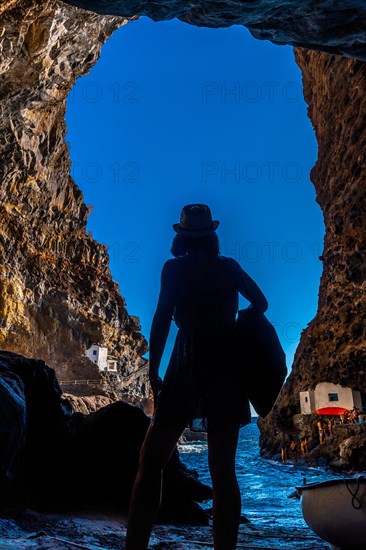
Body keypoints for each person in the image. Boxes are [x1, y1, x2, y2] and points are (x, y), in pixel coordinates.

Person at [125, 204, 268, 550]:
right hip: (226, 367)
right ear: (212, 236)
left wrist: (153, 368)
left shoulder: (175, 269)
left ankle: (135, 547)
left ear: (182, 236)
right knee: (223, 473)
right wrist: (235, 321)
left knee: (152, 460)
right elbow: (261, 303)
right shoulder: (229, 267)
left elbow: (161, 319)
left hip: (186, 362)